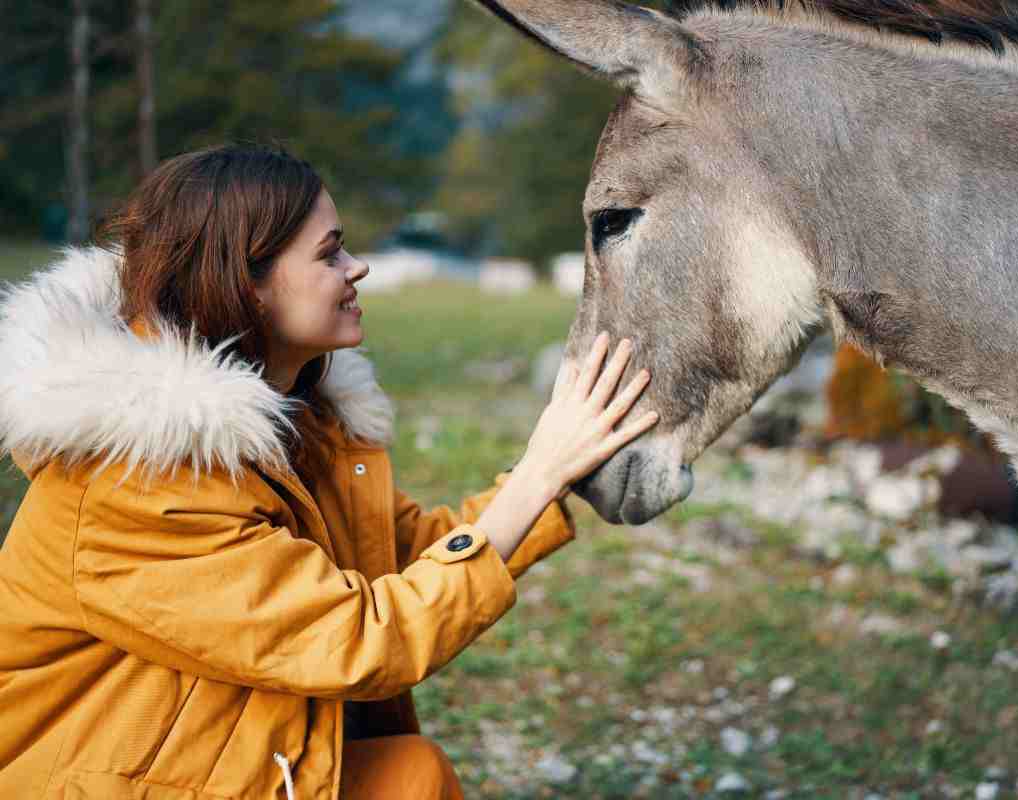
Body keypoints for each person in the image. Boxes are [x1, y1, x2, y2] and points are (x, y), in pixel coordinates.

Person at [0, 144, 658, 800]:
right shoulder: (138, 483)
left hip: (208, 758)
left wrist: (562, 468)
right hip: (103, 782)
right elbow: (360, 640)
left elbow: (407, 556)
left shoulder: (299, 421)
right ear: (245, 283)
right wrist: (538, 474)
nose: (359, 267)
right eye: (329, 254)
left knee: (413, 777)